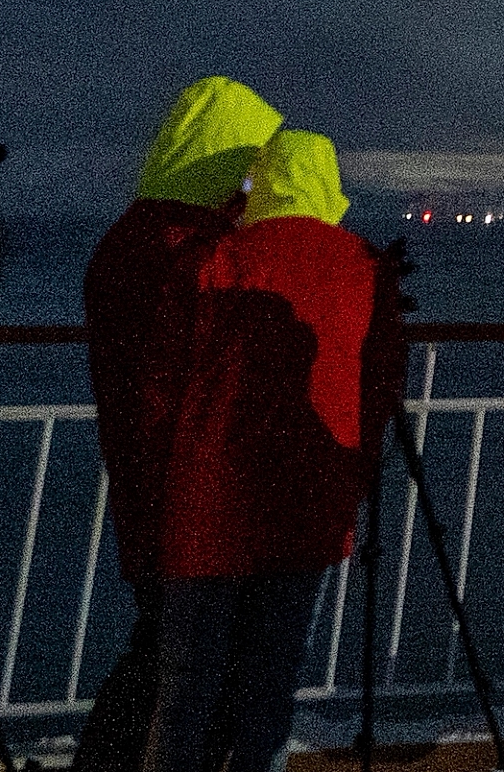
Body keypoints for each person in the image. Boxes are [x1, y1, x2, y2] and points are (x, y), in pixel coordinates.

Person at [147, 131, 400, 772]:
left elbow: (162, 375)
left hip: (211, 504)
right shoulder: (363, 265)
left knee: (187, 686)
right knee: (271, 678)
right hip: (308, 501)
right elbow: (379, 384)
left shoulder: (217, 259)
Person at [75, 76, 284, 772]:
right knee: (187, 676)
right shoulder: (195, 254)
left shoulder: (130, 241)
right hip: (198, 495)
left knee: (165, 659)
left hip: (150, 484)